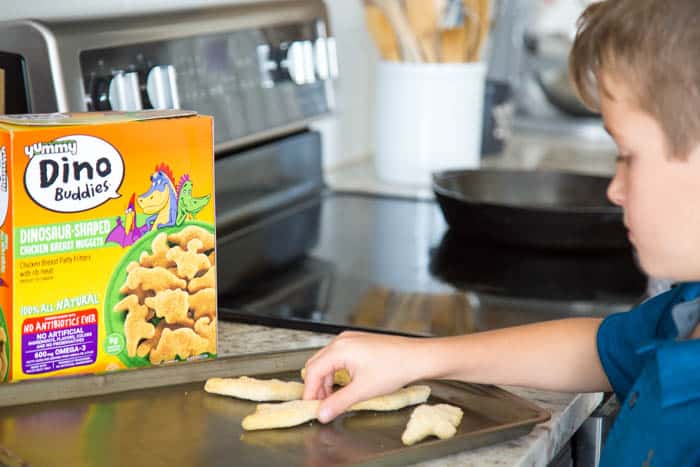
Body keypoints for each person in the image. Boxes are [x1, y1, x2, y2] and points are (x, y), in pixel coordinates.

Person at [301, 1, 700, 465]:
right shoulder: (685, 315)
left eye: (628, 156)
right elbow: (598, 349)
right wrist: (419, 359)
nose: (614, 189)